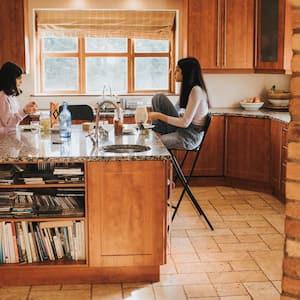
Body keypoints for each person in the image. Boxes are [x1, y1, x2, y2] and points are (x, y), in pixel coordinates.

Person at [148, 57, 210, 150]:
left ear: (186, 73)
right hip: (183, 130)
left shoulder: (196, 90)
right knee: (158, 98)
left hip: (189, 137)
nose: (174, 73)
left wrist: (159, 116)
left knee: (154, 143)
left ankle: (156, 135)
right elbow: (175, 110)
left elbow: (185, 123)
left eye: (177, 70)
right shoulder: (188, 89)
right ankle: (155, 133)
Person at [0, 61, 37, 135]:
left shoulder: (11, 96)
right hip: (4, 139)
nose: (21, 81)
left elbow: (13, 117)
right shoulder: (3, 97)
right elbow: (8, 123)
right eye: (18, 78)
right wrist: (24, 111)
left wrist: (26, 109)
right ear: (10, 79)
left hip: (9, 136)